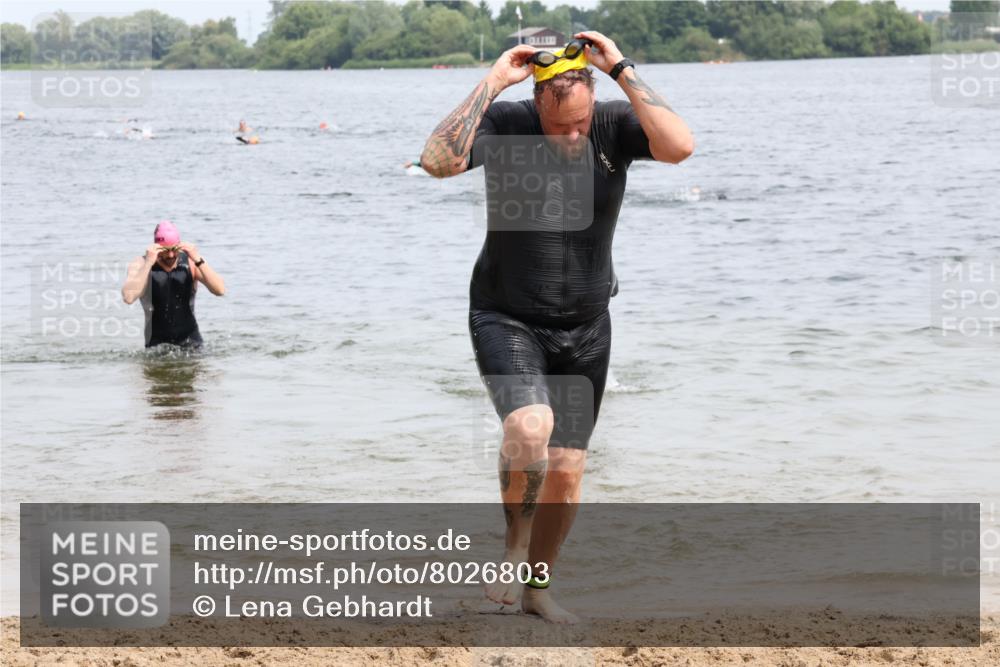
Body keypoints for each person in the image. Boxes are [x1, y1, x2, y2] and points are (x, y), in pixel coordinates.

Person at [420, 32, 693, 623]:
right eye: (560, 126)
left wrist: (620, 69)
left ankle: (537, 590)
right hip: (507, 316)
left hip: (587, 326)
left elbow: (680, 147)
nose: (573, 136)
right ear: (538, 104)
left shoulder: (612, 124)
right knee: (529, 425)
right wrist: (493, 81)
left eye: (580, 124)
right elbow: (438, 161)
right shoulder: (508, 123)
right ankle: (514, 549)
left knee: (567, 474)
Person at [121, 221, 225, 348]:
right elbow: (128, 297)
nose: (171, 255)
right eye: (165, 250)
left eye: (175, 250)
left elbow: (220, 290)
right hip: (156, 345)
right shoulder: (141, 264)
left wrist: (198, 259)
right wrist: (148, 263)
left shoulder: (192, 262)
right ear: (156, 247)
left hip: (192, 342)